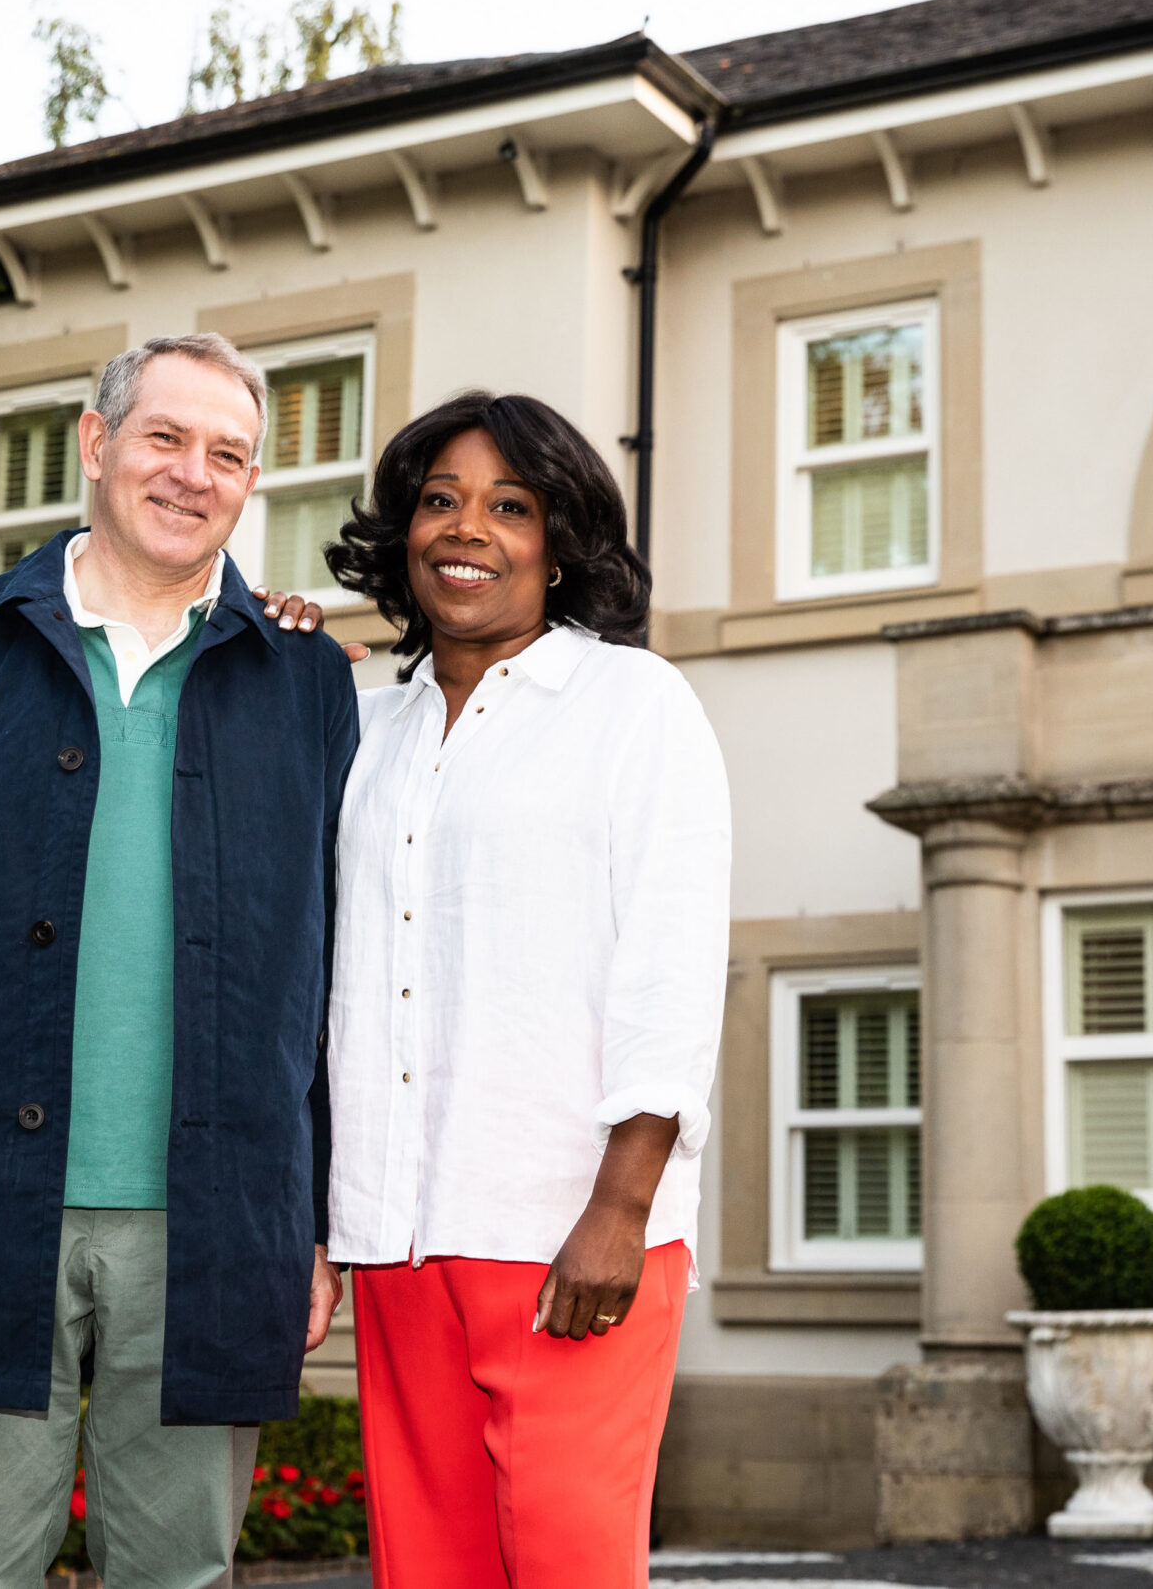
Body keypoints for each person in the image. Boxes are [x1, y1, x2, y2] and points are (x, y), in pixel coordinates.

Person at [0, 333, 360, 1589]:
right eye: (166, 437)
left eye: (228, 454)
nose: (193, 473)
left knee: (183, 1571)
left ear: (251, 483)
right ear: (97, 445)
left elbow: (341, 976)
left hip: (218, 1223)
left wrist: (320, 1224)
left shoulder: (304, 677)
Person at [320, 392, 731, 1589]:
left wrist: (620, 1206)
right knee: (428, 1569)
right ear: (402, 533)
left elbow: (669, 964)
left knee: (568, 1561)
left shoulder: (631, 705)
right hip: (398, 1233)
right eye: (439, 501)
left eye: (510, 506)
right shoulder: (360, 732)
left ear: (559, 545)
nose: (468, 529)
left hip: (569, 1231)